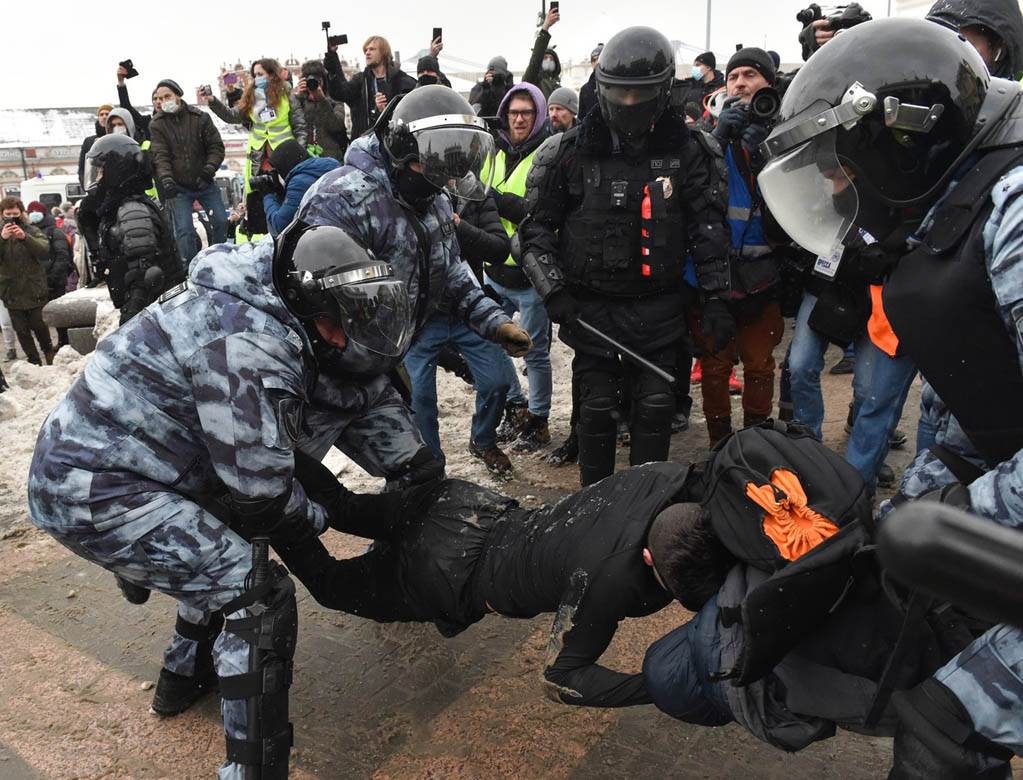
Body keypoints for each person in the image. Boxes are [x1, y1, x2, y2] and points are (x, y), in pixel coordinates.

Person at [26, 222, 417, 779]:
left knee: (220, 547)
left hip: (137, 463)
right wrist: (336, 514)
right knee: (256, 594)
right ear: (308, 311)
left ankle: (182, 677)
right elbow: (265, 498)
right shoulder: (249, 345)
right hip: (99, 486)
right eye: (332, 324)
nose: (338, 338)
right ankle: (252, 771)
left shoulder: (265, 288)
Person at [756, 18, 1023, 776]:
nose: (840, 189)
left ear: (899, 139)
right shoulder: (968, 196)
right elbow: (988, 413)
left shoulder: (1015, 211)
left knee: (945, 722)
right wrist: (906, 515)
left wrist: (959, 519)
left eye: (842, 168)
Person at [273, 451, 696, 707]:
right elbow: (561, 678)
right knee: (330, 584)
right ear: (646, 559)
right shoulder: (607, 580)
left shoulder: (660, 477)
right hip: (445, 574)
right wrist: (657, 687)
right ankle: (261, 511)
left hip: (461, 505)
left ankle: (267, 452)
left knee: (344, 507)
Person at [521, 26, 732, 486]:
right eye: (620, 93)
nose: (629, 105)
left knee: (655, 408)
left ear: (663, 92)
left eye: (640, 94)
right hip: (591, 308)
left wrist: (717, 299)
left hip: (660, 308)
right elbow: (533, 229)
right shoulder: (566, 151)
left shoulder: (691, 151)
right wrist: (553, 290)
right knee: (595, 411)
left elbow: (709, 230)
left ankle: (645, 504)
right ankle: (595, 507)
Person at [296, 85, 533, 473]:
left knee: (418, 471)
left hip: (383, 366)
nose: (448, 179)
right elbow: (311, 293)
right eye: (437, 164)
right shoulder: (343, 198)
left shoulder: (434, 199)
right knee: (289, 486)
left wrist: (495, 322)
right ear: (404, 150)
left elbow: (451, 271)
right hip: (326, 374)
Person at [689, 48, 784, 446]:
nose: (741, 82)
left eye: (751, 75)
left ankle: (757, 438)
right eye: (734, 76)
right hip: (712, 273)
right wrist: (718, 137)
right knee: (714, 365)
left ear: (768, 84)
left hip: (762, 274)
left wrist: (763, 149)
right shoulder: (706, 134)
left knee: (760, 364)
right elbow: (691, 186)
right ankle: (719, 444)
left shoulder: (782, 128)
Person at [404, 189, 515, 475]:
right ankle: (430, 467)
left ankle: (483, 439)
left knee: (498, 380)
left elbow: (499, 248)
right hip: (422, 315)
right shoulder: (402, 191)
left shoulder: (476, 192)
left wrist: (459, 227)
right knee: (419, 397)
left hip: (470, 306)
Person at [485, 83, 554, 452]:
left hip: (529, 274)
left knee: (535, 352)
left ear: (538, 115)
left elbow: (533, 209)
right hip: (493, 269)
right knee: (492, 342)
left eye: (527, 112)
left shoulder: (547, 154)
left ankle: (539, 420)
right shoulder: (493, 152)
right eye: (513, 112)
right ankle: (516, 405)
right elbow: (476, 196)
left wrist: (494, 200)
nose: (519, 119)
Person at [77, 135, 183, 325]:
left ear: (117, 170)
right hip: (154, 312)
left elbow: (147, 276)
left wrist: (130, 321)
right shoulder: (123, 205)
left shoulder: (132, 210)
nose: (97, 177)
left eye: (101, 170)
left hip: (156, 315)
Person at [149, 79, 228, 261]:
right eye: (160, 98)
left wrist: (209, 170)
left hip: (205, 181)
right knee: (184, 231)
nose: (163, 101)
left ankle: (218, 259)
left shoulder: (200, 118)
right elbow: (161, 155)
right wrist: (166, 180)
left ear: (178, 95)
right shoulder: (157, 124)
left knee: (221, 222)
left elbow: (216, 147)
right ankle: (190, 269)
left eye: (167, 96)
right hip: (179, 187)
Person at [205, 59, 307, 194]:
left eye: (260, 74)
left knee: (288, 194)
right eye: (255, 75)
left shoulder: (287, 96)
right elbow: (231, 116)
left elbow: (300, 127)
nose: (256, 79)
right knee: (261, 197)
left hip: (285, 155)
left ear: (271, 75)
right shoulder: (250, 99)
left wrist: (299, 154)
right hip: (259, 156)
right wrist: (213, 101)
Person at [323, 35, 417, 138]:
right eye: (366, 50)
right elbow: (339, 93)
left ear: (383, 52)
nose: (367, 53)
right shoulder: (360, 80)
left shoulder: (402, 80)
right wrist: (332, 57)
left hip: (394, 144)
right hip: (365, 145)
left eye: (372, 49)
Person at [0, 197, 55, 365]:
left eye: (15, 214)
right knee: (22, 331)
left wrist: (25, 237)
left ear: (21, 213)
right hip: (12, 291)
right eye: (8, 214)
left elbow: (44, 250)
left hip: (34, 288)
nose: (11, 217)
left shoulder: (31, 229)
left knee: (39, 326)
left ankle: (48, 353)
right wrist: (2, 239)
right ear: (2, 214)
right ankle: (33, 361)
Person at [255, 139, 340, 236]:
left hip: (320, 242)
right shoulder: (328, 169)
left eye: (278, 170)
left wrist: (268, 195)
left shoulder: (299, 182)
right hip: (342, 237)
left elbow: (279, 227)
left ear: (285, 166)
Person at [25, 201, 73, 347]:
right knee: (39, 317)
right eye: (30, 211)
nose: (33, 213)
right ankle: (50, 344)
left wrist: (52, 277)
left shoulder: (54, 231)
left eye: (36, 211)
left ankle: (64, 341)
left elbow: (62, 256)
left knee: (58, 314)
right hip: (37, 281)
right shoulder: (28, 232)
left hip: (54, 280)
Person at [295, 59, 349, 162]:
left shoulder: (335, 100)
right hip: (305, 158)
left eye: (317, 80)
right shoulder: (299, 100)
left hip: (331, 159)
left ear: (324, 80)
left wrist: (322, 100)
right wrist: (298, 98)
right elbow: (295, 127)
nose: (313, 83)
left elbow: (336, 126)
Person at [523, 7, 562, 99]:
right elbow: (535, 59)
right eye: (545, 58)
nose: (548, 60)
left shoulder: (557, 84)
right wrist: (545, 27)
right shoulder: (532, 79)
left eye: (551, 59)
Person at [77, 104, 112, 187]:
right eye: (101, 114)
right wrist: (87, 187)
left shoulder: (120, 139)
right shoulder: (89, 141)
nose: (104, 117)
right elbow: (82, 168)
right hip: (95, 187)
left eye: (107, 114)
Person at [116, 63, 152, 141]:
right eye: (156, 99)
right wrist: (121, 82)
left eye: (166, 97)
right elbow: (126, 107)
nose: (159, 101)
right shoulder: (149, 122)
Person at [577, 44, 603, 122]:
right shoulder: (585, 89)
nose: (596, 62)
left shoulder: (616, 84)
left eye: (599, 59)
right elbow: (581, 118)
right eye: (594, 60)